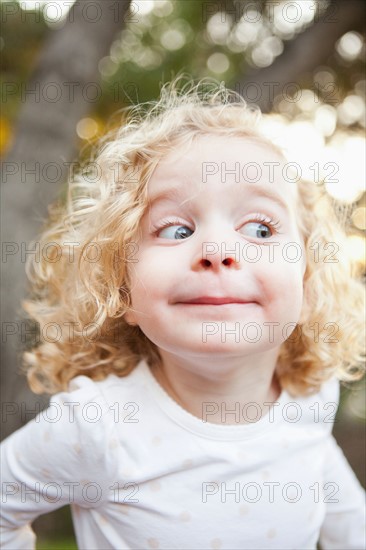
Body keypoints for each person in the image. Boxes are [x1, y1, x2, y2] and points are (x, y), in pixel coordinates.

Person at [1, 79, 365, 549]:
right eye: (175, 230)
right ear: (122, 290)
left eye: (259, 227)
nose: (216, 250)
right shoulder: (98, 426)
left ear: (309, 284)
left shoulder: (311, 399)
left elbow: (333, 495)